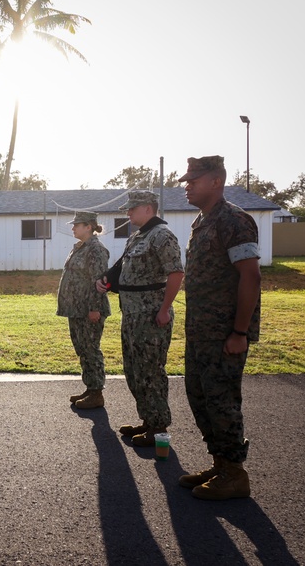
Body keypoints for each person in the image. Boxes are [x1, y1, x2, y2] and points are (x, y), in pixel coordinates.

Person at [177, 156, 261, 500]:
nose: (187, 186)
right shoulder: (202, 221)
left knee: (222, 401)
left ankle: (235, 475)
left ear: (215, 181)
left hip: (225, 335)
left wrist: (239, 332)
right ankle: (220, 463)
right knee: (200, 398)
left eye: (193, 180)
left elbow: (250, 276)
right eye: (186, 180)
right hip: (201, 332)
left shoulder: (234, 220)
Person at [97, 190, 184, 446]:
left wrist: (165, 309)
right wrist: (106, 280)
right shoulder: (138, 236)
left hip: (151, 315)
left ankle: (158, 428)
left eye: (132, 208)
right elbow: (125, 269)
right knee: (134, 371)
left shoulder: (162, 236)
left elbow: (176, 274)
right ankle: (148, 420)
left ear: (148, 208)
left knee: (151, 372)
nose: (128, 213)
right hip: (133, 314)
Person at [57, 211, 111, 410]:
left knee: (90, 349)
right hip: (77, 310)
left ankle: (97, 393)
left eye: (77, 224)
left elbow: (98, 281)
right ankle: (90, 388)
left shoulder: (95, 249)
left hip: (90, 310)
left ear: (88, 226)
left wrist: (94, 308)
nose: (73, 227)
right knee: (83, 349)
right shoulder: (81, 247)